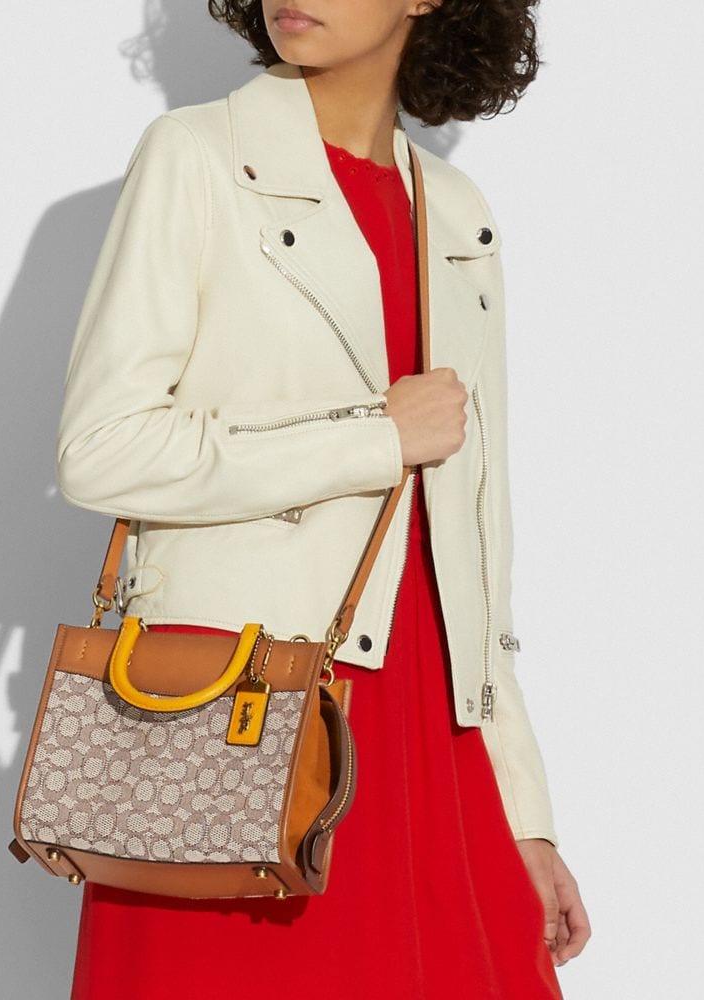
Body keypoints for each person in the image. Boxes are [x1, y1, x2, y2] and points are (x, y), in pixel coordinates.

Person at [55, 1, 591, 996]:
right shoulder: (196, 156)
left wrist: (525, 812)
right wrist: (373, 438)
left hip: (427, 719)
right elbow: (102, 450)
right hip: (243, 707)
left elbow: (475, 538)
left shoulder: (455, 211)